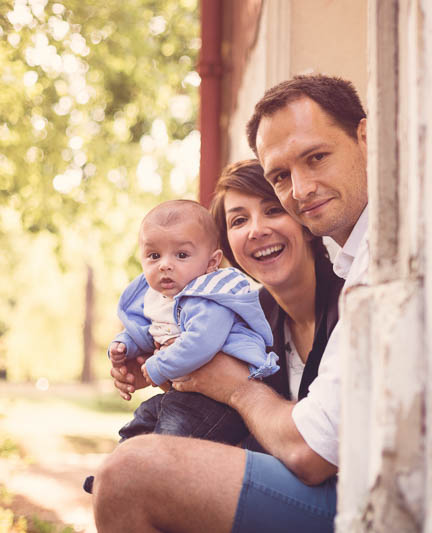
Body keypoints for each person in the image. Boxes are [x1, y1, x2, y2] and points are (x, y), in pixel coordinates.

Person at [92, 75, 369, 533]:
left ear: (302, 223)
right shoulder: (246, 320)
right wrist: (153, 365)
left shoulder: (355, 289)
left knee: (132, 474)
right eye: (238, 220)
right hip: (295, 481)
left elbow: (307, 449)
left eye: (272, 210)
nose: (256, 229)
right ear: (222, 254)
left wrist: (234, 386)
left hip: (347, 498)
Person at [110, 199, 279, 444]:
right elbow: (150, 331)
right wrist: (124, 345)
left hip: (217, 405)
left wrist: (159, 366)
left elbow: (201, 342)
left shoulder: (211, 296)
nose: (165, 265)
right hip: (184, 397)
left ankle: (137, 473)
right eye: (154, 255)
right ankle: (113, 476)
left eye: (181, 255)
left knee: (168, 444)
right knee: (139, 424)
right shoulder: (161, 298)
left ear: (212, 262)